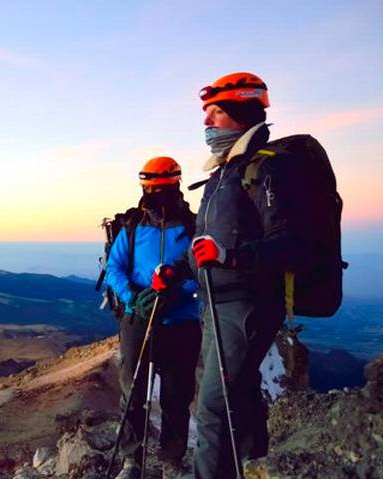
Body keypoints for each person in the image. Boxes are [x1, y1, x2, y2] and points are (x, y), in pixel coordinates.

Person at [189, 72, 304, 478]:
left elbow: (290, 243)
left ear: (239, 114)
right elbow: (207, 245)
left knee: (213, 411)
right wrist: (179, 267)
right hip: (217, 305)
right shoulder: (223, 174)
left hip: (245, 306)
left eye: (216, 113)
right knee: (240, 397)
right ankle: (255, 467)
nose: (207, 123)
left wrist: (230, 256)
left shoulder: (265, 170)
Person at [106, 156, 201, 479]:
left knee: (177, 395)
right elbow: (114, 268)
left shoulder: (193, 226)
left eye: (158, 187)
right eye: (148, 187)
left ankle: (171, 460)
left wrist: (179, 291)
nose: (152, 192)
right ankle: (132, 461)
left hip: (181, 322)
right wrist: (134, 297)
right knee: (132, 393)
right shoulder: (132, 226)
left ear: (175, 184)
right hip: (138, 320)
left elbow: (201, 271)